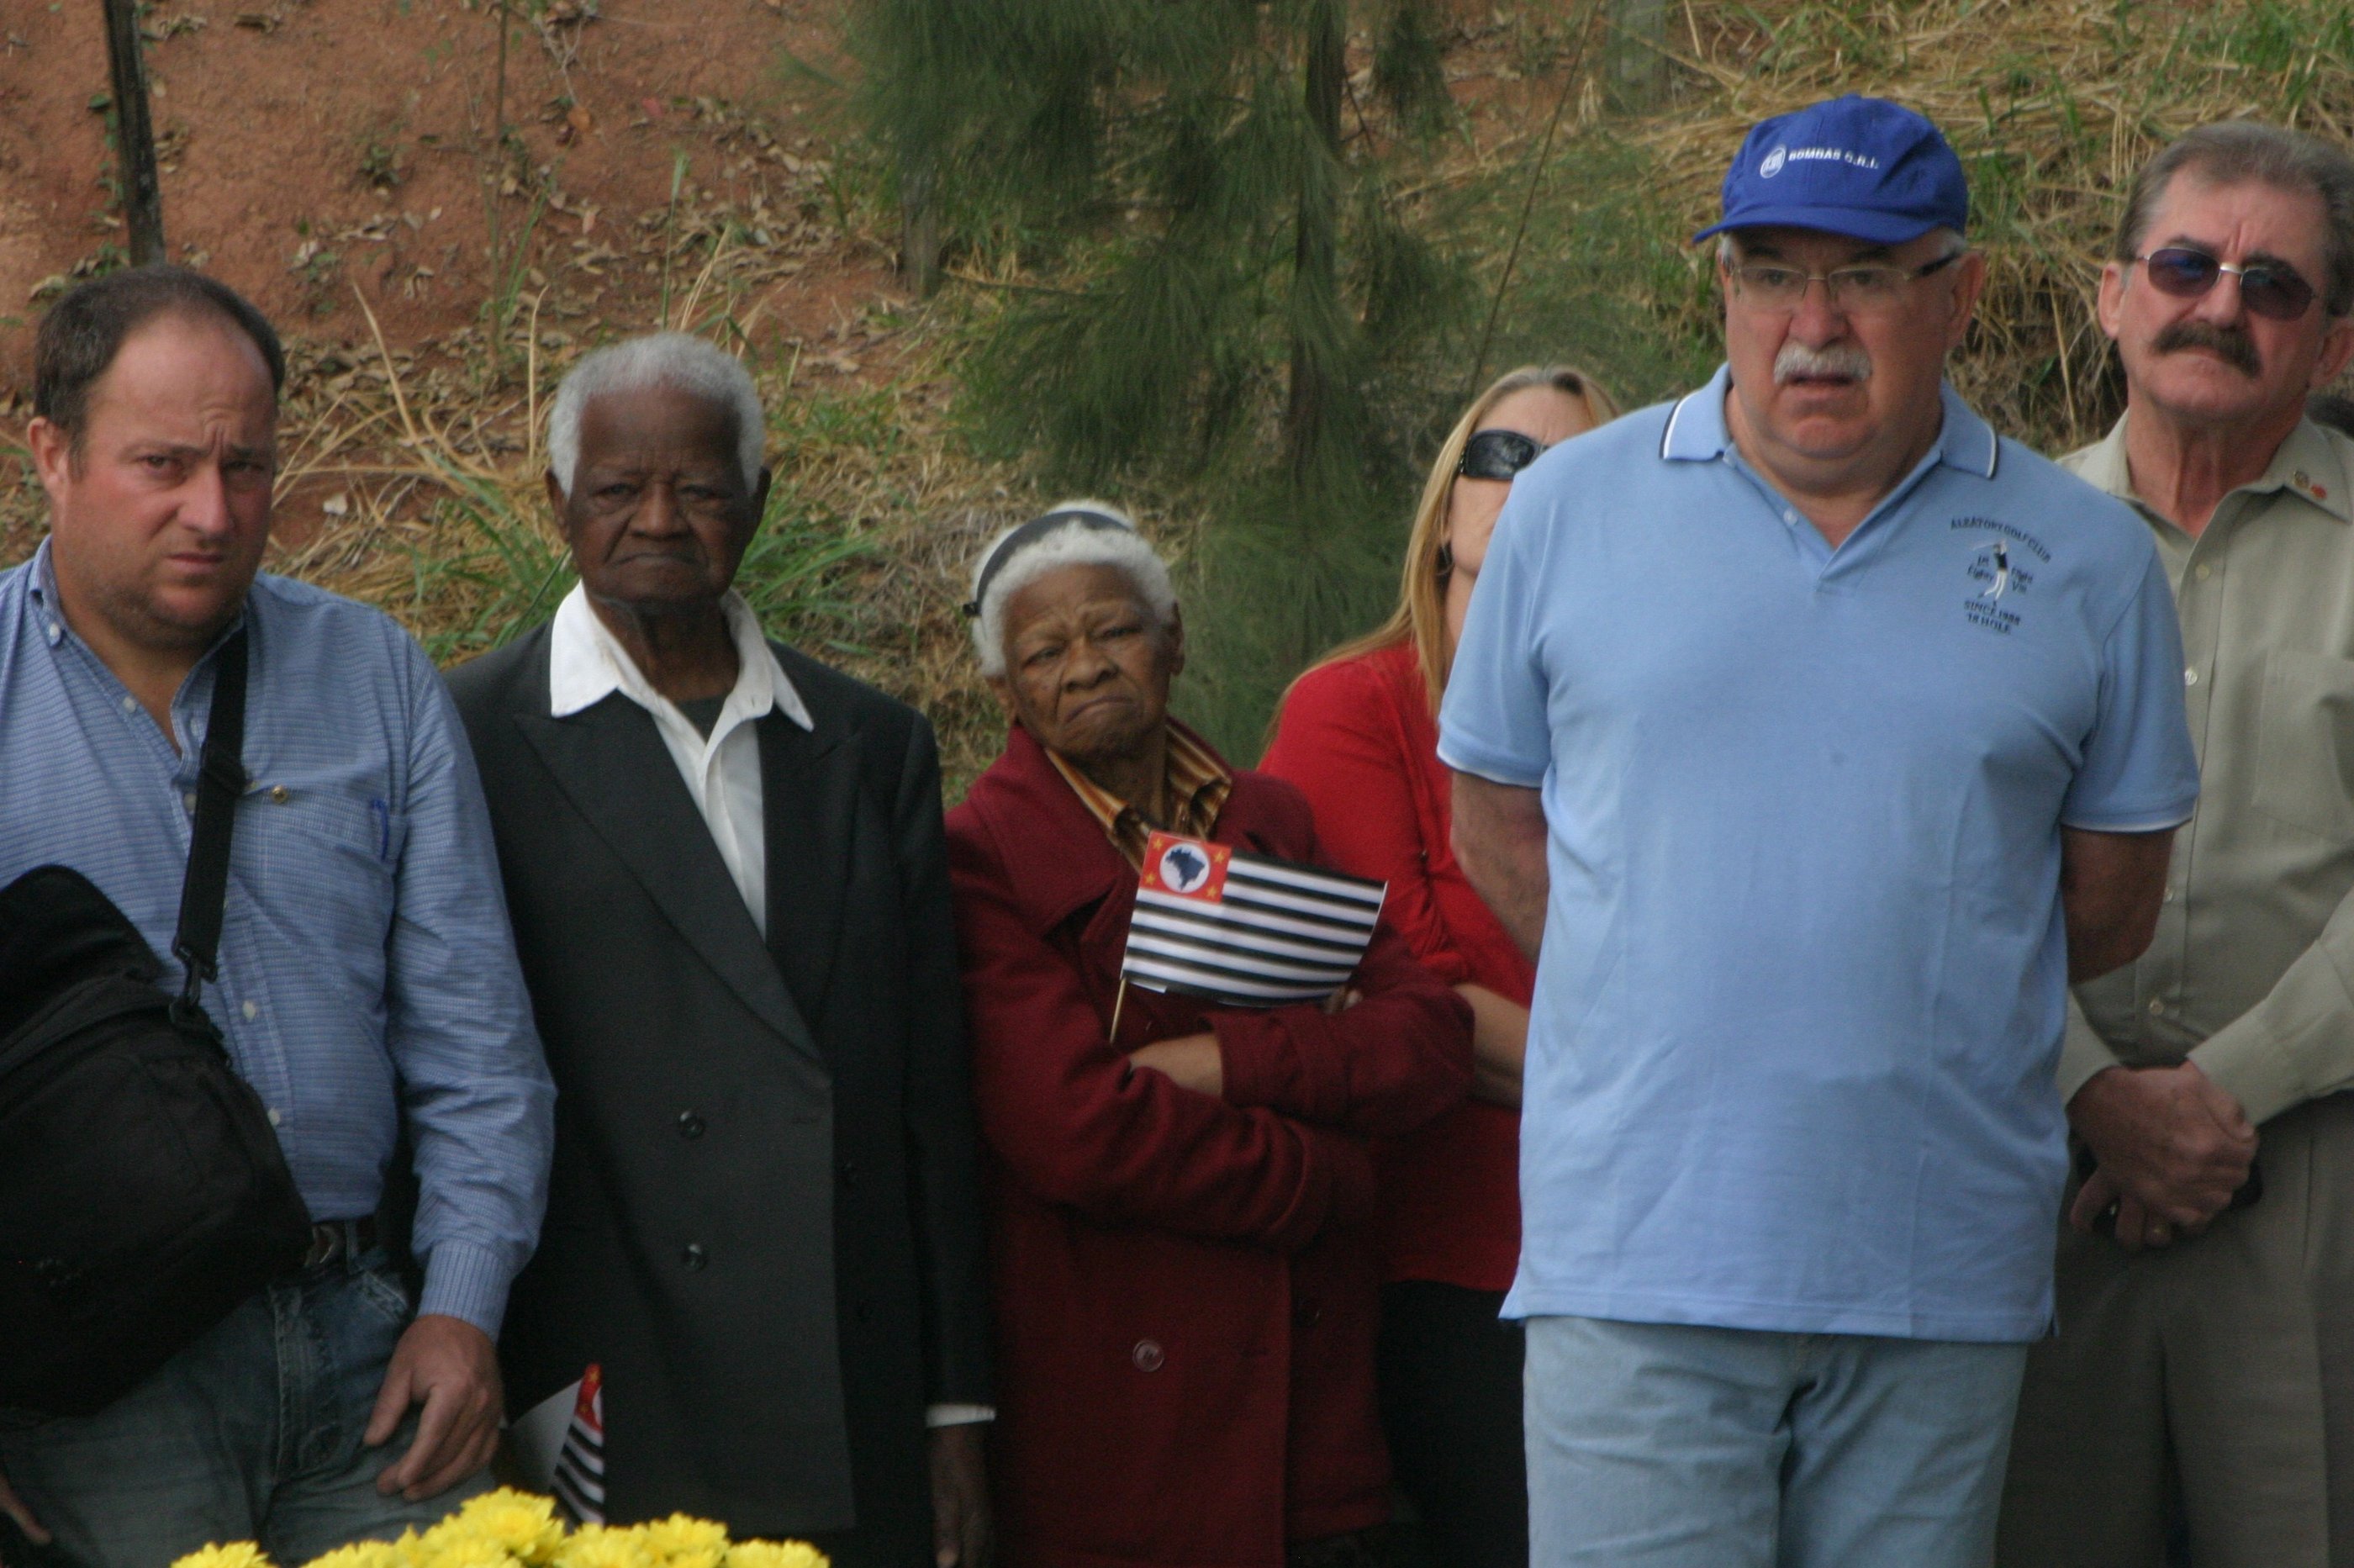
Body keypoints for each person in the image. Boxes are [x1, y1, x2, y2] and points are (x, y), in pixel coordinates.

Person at [1438, 95, 2203, 1568]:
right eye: (1771, 270)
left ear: (1961, 293)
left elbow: (2099, 912)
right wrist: (1674, 970)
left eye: (1865, 274)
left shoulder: (2087, 559)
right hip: (1640, 1264)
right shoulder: (1566, 515)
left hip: (1938, 1275)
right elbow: (1501, 835)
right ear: (1719, 286)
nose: (1815, 322)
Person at [0, 267, 553, 1565]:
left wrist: (463, 1309)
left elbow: (476, 1038)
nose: (213, 512)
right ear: (50, 453)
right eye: (163, 465)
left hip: (374, 1353)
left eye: (246, 466)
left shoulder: (373, 674)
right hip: (94, 1388)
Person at [445, 333, 993, 1565]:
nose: (657, 519)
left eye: (697, 488)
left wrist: (954, 1409)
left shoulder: (868, 744)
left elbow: (926, 1103)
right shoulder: (464, 734)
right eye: (615, 489)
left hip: (843, 1377)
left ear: (759, 499)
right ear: (556, 506)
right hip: (606, 1380)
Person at [943, 503, 1474, 1568]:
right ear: (1004, 691)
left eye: (1114, 630)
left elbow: (1428, 1035)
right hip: (1129, 1440)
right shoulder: (979, 858)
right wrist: (1323, 1177)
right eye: (1045, 650)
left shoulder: (1268, 820)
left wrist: (1229, 1062)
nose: (1086, 666)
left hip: (1313, 1434)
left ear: (1174, 638)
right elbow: (1080, 1126)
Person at [1996, 122, 2354, 1568]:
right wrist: (2098, 1094)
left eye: (2275, 286)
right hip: (2029, 1170)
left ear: (2333, 345)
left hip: (2316, 1178)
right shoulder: (1986, 554)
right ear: (2112, 294)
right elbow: (1937, 862)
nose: (2221, 305)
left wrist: (2228, 1091)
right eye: (2188, 264)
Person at [1260, 365, 1615, 1568]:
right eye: (1505, 457)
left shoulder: (1646, 725)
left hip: (1646, 1255)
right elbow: (1418, 1014)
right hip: (1456, 1263)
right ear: (1446, 509)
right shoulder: (1351, 710)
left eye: (1574, 466)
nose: (1533, 488)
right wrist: (1670, 1074)